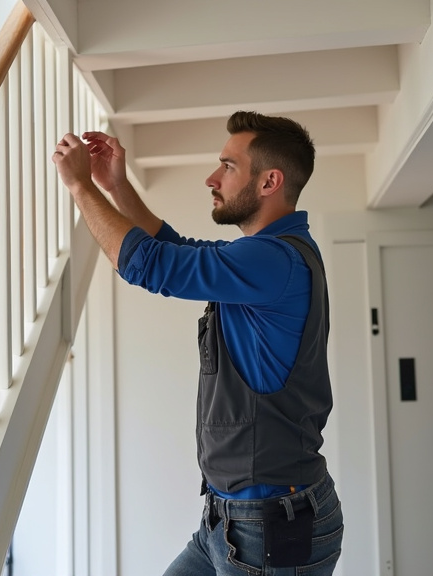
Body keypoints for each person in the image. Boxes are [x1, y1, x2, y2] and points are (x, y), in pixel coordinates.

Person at [52, 111, 343, 575]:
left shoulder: (273, 259)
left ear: (269, 181)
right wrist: (115, 187)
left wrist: (79, 188)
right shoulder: (262, 254)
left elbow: (148, 265)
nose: (213, 177)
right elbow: (172, 247)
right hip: (228, 520)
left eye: (228, 166)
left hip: (268, 526)